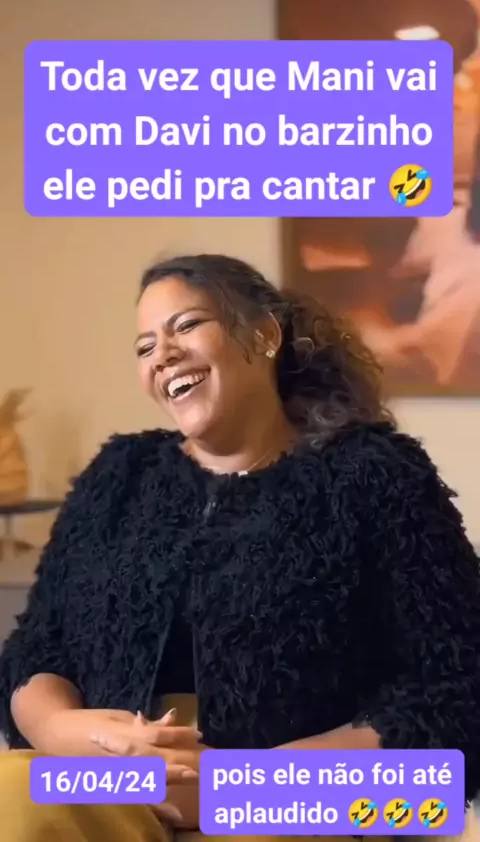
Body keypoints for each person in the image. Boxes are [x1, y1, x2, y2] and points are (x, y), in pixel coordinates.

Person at [0, 253, 480, 842]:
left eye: (185, 326)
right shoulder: (118, 474)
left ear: (264, 335)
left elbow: (459, 686)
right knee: (11, 795)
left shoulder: (376, 475)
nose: (162, 354)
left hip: (295, 795)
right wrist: (62, 731)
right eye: (145, 347)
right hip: (115, 783)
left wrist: (249, 787)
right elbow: (37, 647)